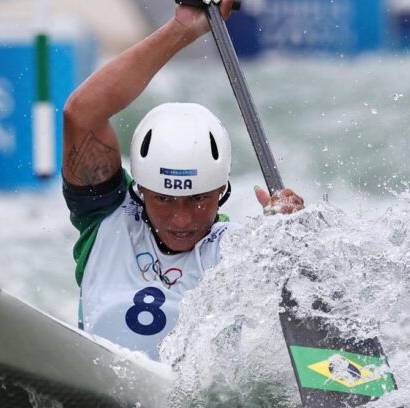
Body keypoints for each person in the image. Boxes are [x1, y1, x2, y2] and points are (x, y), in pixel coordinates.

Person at [62, 0, 304, 359]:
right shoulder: (105, 218)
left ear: (221, 190)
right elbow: (81, 113)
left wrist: (296, 241)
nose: (181, 219)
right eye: (163, 198)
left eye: (198, 199)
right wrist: (182, 30)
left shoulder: (240, 253)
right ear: (141, 189)